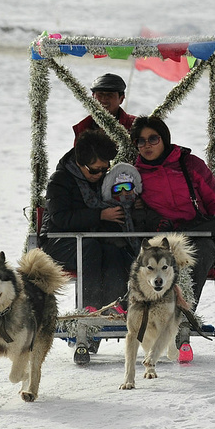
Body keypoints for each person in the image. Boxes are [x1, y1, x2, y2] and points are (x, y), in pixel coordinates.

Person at [130, 116, 215, 305]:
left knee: (199, 252)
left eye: (153, 139)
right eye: (141, 141)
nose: (147, 145)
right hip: (160, 235)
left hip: (195, 232)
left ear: (164, 139)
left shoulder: (189, 165)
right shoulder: (137, 175)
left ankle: (184, 310)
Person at [41, 129, 134, 311]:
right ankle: (89, 306)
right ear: (80, 162)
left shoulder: (104, 181)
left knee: (114, 250)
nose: (100, 174)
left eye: (104, 169)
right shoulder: (59, 181)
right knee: (89, 248)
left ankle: (115, 305)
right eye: (94, 170)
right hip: (59, 242)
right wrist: (100, 215)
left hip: (92, 240)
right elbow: (60, 218)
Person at [72, 73, 137, 143]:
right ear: (93, 97)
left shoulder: (135, 126)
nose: (104, 98)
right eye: (100, 94)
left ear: (121, 99)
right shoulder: (83, 127)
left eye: (110, 95)